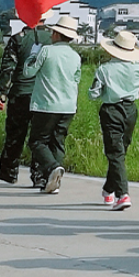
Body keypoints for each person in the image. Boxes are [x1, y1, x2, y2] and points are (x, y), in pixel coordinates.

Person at [88, 31, 139, 210]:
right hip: (130, 110)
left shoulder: (104, 70)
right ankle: (109, 189)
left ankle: (122, 194)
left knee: (114, 152)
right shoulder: (137, 68)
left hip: (111, 110)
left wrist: (103, 90)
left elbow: (93, 94)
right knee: (120, 151)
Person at [0, 10, 53, 187]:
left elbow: (7, 69)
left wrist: (0, 94)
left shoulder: (18, 38)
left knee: (15, 134)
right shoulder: (53, 39)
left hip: (20, 93)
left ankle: (9, 171)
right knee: (40, 137)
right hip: (44, 95)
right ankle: (39, 175)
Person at [24, 15, 82, 194]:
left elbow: (28, 72)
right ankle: (54, 183)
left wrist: (32, 55)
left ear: (57, 34)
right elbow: (76, 79)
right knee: (58, 141)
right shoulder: (75, 56)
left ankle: (52, 168)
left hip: (46, 105)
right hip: (68, 106)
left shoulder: (46, 51)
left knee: (37, 141)